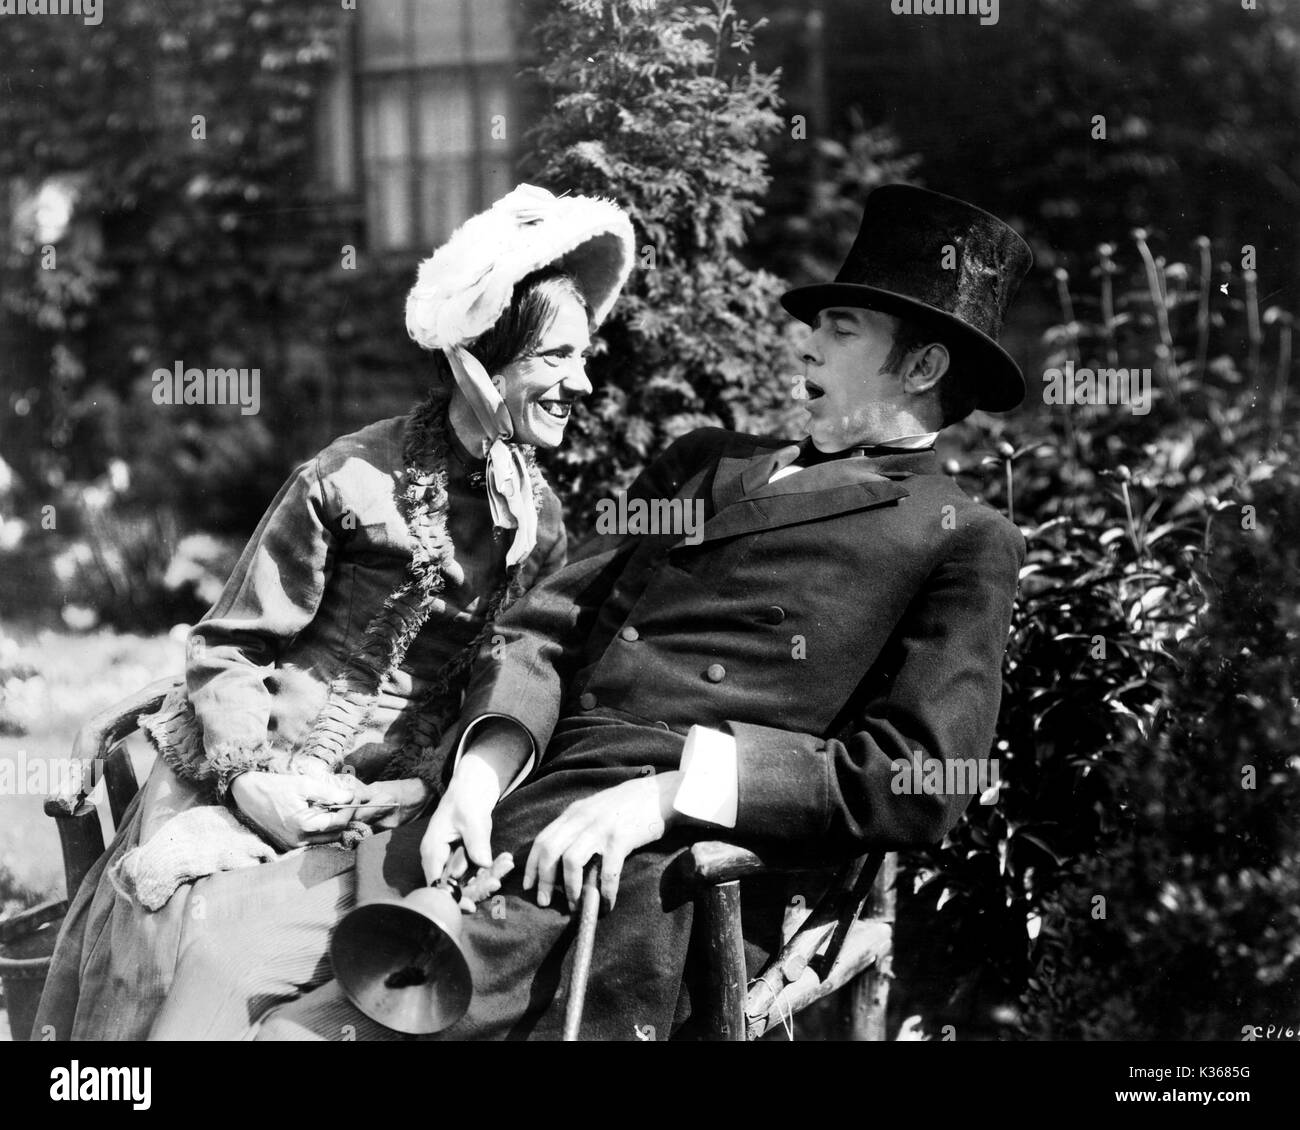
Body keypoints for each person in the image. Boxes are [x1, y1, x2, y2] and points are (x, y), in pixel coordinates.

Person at [151, 184, 1034, 1041]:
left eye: (840, 330)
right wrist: (479, 772)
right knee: (224, 962)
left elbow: (921, 777)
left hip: (649, 876)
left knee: (302, 1037)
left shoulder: (959, 536)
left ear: (921, 367)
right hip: (506, 807)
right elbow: (545, 625)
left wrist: (666, 796)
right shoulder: (701, 461)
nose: (805, 344)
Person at [33, 183, 635, 1040]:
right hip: (253, 766)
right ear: (478, 361)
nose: (581, 382)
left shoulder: (538, 523)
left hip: (390, 798)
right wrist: (251, 782)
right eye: (555, 357)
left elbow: (517, 673)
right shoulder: (350, 478)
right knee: (195, 947)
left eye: (585, 356)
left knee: (357, 977)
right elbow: (227, 645)